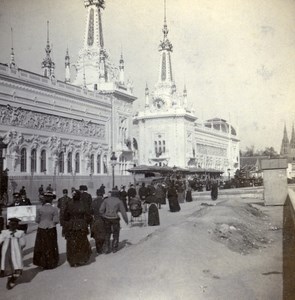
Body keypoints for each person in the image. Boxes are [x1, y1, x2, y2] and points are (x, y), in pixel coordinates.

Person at [62, 189, 92, 267]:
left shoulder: (69, 204)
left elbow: (65, 216)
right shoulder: (83, 204)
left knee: (72, 243)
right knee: (82, 242)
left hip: (72, 225)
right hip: (81, 225)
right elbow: (88, 215)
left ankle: (73, 260)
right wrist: (87, 222)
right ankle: (81, 259)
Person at [33, 192, 59, 269]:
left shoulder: (40, 209)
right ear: (51, 200)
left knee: (41, 245)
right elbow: (56, 220)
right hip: (51, 228)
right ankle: (51, 262)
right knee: (51, 245)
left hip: (41, 228)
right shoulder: (54, 209)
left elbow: (37, 220)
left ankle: (42, 262)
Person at [0, 218, 26, 290]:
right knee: (16, 263)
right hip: (16, 251)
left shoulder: (5, 233)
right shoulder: (20, 233)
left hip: (6, 251)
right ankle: (12, 280)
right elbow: (23, 243)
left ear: (9, 225)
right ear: (17, 225)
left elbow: (0, 240)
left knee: (8, 263)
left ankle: (9, 277)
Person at [91, 190, 105, 254]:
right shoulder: (104, 201)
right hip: (103, 220)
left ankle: (98, 249)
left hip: (96, 220)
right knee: (103, 233)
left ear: (96, 194)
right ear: (102, 194)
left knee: (96, 235)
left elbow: (91, 211)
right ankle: (102, 247)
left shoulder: (93, 202)